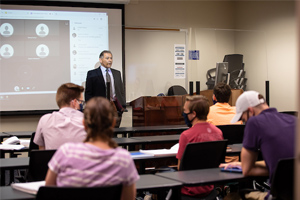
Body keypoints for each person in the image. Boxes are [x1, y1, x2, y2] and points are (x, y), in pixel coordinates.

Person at [45, 97, 139, 200]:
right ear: (113, 123)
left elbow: (48, 192)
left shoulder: (66, 152)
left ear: (84, 124)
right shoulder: (123, 159)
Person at [219, 91, 296, 199]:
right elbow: (280, 164)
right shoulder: (293, 120)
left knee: (232, 197)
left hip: (278, 196)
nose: (245, 122)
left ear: (250, 111)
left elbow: (247, 171)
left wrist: (244, 165)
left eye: (243, 119)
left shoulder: (254, 122)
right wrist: (241, 164)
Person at [177, 95, 224, 198]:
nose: (184, 114)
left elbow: (180, 168)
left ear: (193, 114)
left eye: (185, 111)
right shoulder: (218, 132)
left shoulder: (186, 135)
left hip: (187, 191)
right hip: (210, 189)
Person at [34, 83, 86, 150]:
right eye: (81, 102)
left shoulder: (45, 120)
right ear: (75, 102)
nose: (81, 105)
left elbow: (42, 150)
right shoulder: (87, 121)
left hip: (54, 160)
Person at [85, 50, 125, 127]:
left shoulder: (117, 73)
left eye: (111, 58)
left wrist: (123, 105)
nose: (110, 60)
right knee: (101, 130)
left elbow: (121, 91)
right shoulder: (92, 73)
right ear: (100, 60)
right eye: (107, 58)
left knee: (114, 131)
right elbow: (88, 92)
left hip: (115, 107)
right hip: (99, 108)